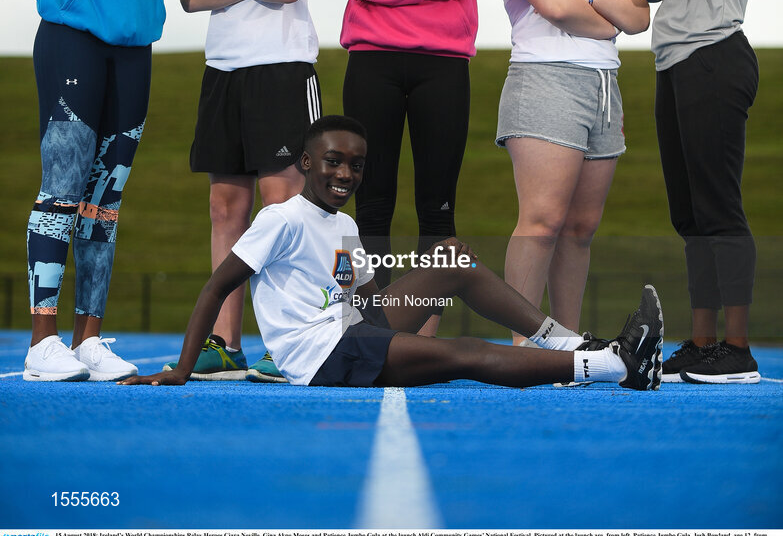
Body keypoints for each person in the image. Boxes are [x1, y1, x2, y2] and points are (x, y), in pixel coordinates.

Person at [121, 115, 663, 391]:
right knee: (462, 353)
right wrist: (182, 370)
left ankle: (564, 340)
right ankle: (611, 363)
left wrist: (427, 281)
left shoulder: (346, 223)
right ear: (307, 164)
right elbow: (218, 286)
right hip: (320, 355)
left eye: (355, 166)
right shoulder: (279, 218)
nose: (345, 174)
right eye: (333, 161)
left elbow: (364, 300)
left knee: (451, 256)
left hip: (349, 325)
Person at [9, 0, 198, 381]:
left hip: (133, 49)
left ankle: (89, 337)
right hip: (71, 41)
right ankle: (43, 339)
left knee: (105, 200)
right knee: (61, 187)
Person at [177, 0, 326, 382]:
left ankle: (288, 340)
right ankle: (224, 342)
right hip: (224, 71)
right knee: (226, 207)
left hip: (283, 70)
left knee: (284, 207)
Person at [332, 0, 490, 326]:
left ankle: (423, 331)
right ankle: (371, 324)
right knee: (370, 201)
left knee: (437, 206)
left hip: (442, 66)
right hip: (372, 61)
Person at [494, 0, 649, 340]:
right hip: (547, 80)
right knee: (541, 221)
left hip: (604, 90)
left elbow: (639, 16)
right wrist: (605, 7)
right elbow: (556, 7)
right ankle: (523, 343)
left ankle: (569, 343)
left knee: (580, 231)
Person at [636, 0, 764, 384]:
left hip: (715, 57)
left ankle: (736, 349)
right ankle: (704, 341)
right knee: (689, 214)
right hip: (675, 62)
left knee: (718, 207)